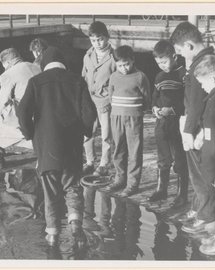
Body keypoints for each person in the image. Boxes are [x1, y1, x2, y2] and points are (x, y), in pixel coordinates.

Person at [17, 46, 97, 247]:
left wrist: (29, 134)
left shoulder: (36, 82)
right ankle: (76, 225)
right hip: (71, 143)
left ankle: (52, 234)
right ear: (64, 63)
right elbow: (89, 112)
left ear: (44, 64)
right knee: (73, 186)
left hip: (47, 145)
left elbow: (22, 112)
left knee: (50, 191)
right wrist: (86, 131)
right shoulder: (77, 81)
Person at [170, 21, 215, 234]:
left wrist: (188, 131)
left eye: (180, 51)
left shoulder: (201, 65)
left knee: (199, 175)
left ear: (189, 45)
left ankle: (206, 219)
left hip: (197, 128)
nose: (179, 56)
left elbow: (196, 103)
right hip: (196, 125)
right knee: (198, 173)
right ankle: (199, 210)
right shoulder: (205, 59)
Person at [146, 40, 189, 209]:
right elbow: (155, 96)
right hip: (161, 123)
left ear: (174, 56)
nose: (162, 66)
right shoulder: (159, 76)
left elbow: (187, 100)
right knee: (163, 158)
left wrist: (172, 110)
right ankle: (161, 189)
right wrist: (154, 108)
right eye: (158, 63)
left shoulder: (183, 74)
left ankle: (181, 194)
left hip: (177, 123)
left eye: (164, 62)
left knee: (180, 160)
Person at [103, 45, 150, 197]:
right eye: (120, 65)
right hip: (116, 117)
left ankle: (132, 183)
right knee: (118, 149)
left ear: (133, 60)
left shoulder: (140, 76)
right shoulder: (114, 77)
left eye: (127, 64)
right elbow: (110, 96)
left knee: (134, 150)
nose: (124, 68)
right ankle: (119, 179)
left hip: (134, 117)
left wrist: (138, 112)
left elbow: (146, 98)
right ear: (115, 64)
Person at [0, 48, 41, 168]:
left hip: (26, 114)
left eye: (3, 65)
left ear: (7, 63)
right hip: (42, 110)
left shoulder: (8, 74)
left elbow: (1, 103)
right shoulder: (36, 67)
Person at [193, 55, 215, 256]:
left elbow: (212, 146)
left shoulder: (213, 102)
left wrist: (208, 173)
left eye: (202, 83)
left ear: (212, 79)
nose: (202, 88)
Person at [82, 21, 116, 177]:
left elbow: (118, 79)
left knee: (106, 134)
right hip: (89, 99)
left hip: (105, 101)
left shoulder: (114, 57)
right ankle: (90, 161)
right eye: (93, 40)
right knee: (88, 131)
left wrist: (110, 97)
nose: (97, 43)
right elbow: (84, 76)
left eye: (100, 39)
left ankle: (104, 163)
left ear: (107, 38)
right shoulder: (88, 55)